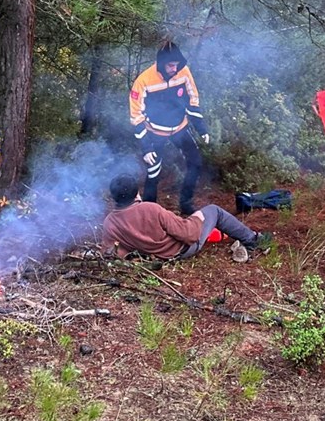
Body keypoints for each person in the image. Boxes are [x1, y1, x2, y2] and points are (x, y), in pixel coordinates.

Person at [102, 173, 272, 262]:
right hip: (180, 251)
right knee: (213, 210)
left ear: (114, 197)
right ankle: (254, 240)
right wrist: (197, 218)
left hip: (153, 257)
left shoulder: (110, 222)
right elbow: (188, 235)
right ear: (136, 193)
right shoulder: (150, 208)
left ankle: (248, 240)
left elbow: (114, 252)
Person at [129, 42, 208, 216]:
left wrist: (201, 128)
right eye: (171, 65)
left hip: (180, 128)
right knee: (153, 172)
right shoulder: (143, 81)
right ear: (161, 63)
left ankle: (186, 204)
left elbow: (193, 99)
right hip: (155, 133)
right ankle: (150, 213)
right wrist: (146, 147)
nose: (174, 69)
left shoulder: (183, 72)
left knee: (195, 163)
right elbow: (136, 116)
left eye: (177, 65)